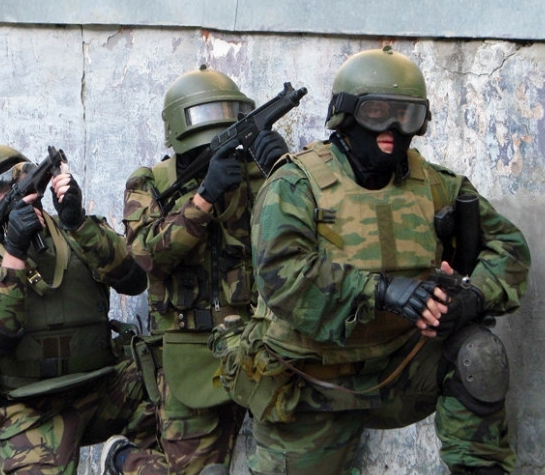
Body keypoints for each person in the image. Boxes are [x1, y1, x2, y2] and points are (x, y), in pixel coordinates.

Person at [217, 46, 531, 475]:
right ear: (346, 115)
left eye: (407, 116)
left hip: (401, 365)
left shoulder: (436, 185)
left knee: (479, 354)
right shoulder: (295, 184)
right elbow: (283, 277)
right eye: (377, 113)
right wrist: (381, 291)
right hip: (312, 376)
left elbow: (509, 247)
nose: (392, 129)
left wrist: (472, 297)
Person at [100, 65, 289, 475]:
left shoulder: (255, 175)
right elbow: (146, 257)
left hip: (259, 343)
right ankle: (124, 460)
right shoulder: (151, 182)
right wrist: (204, 199)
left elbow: (299, 238)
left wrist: (285, 170)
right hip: (189, 352)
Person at [0, 144, 155, 475]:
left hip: (102, 387)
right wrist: (15, 251)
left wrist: (77, 221)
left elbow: (133, 279)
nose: (17, 188)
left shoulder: (74, 233)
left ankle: (124, 461)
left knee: (169, 369)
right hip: (30, 408)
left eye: (20, 176)